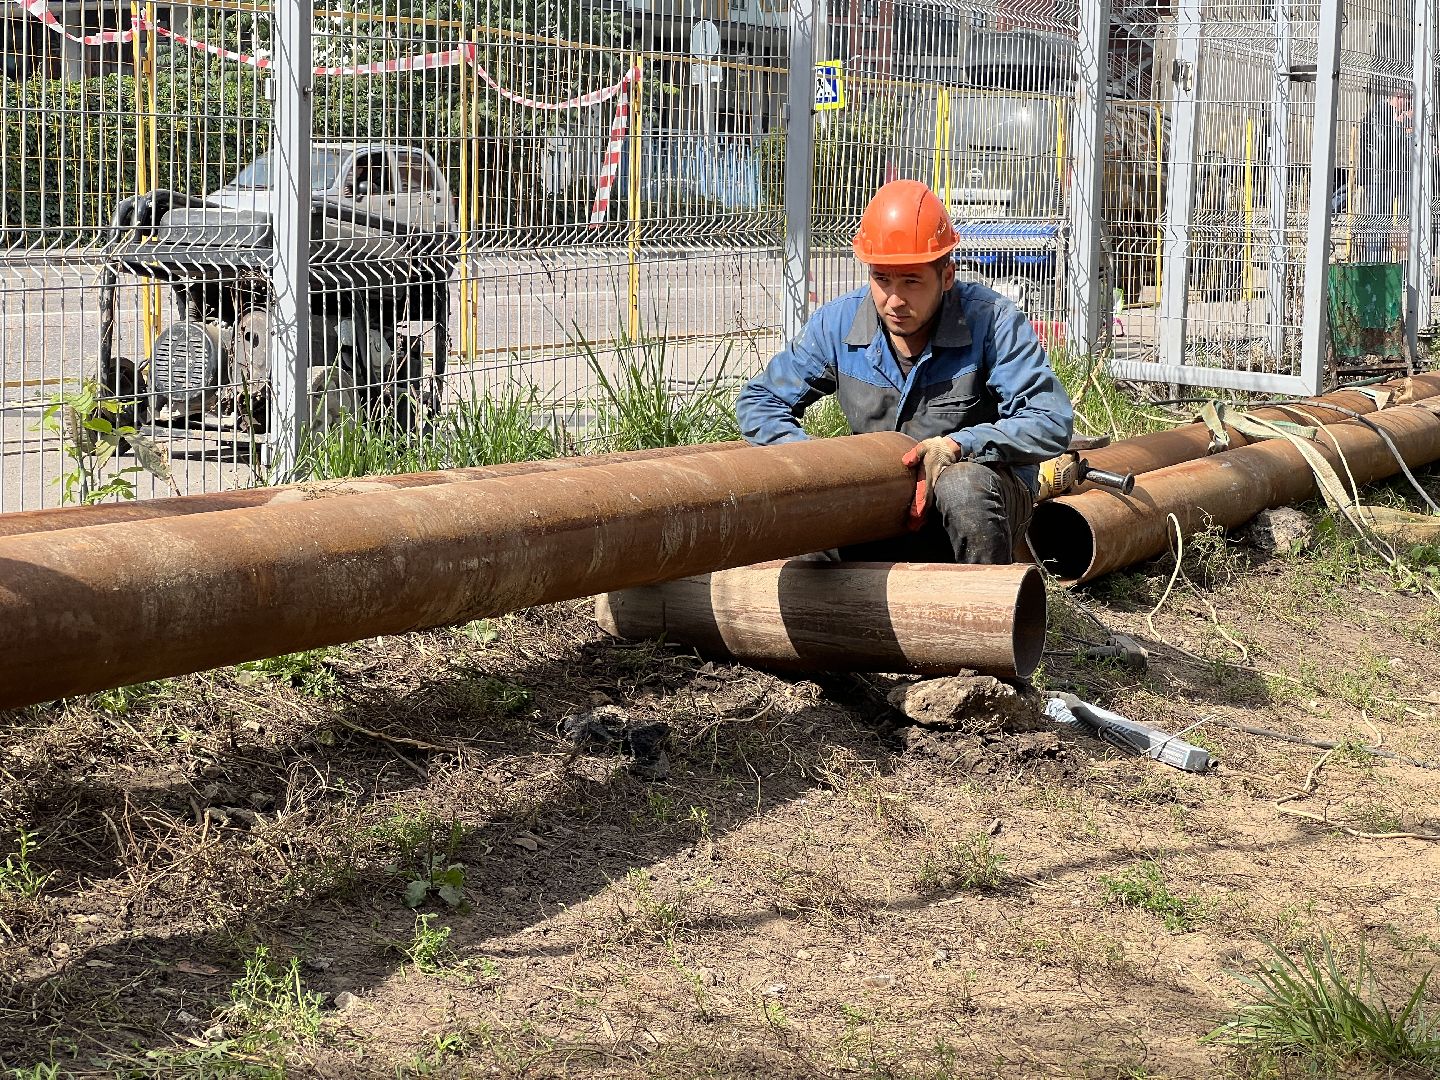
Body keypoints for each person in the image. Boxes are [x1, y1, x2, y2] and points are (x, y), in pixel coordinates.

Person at [735, 179, 1073, 565]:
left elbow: (1050, 421)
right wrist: (812, 463)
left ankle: (981, 613)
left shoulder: (992, 323)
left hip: (978, 504)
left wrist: (959, 446)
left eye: (912, 281)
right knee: (803, 524)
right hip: (884, 502)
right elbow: (761, 400)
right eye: (882, 279)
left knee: (963, 486)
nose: (894, 300)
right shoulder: (839, 324)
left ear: (947, 276)